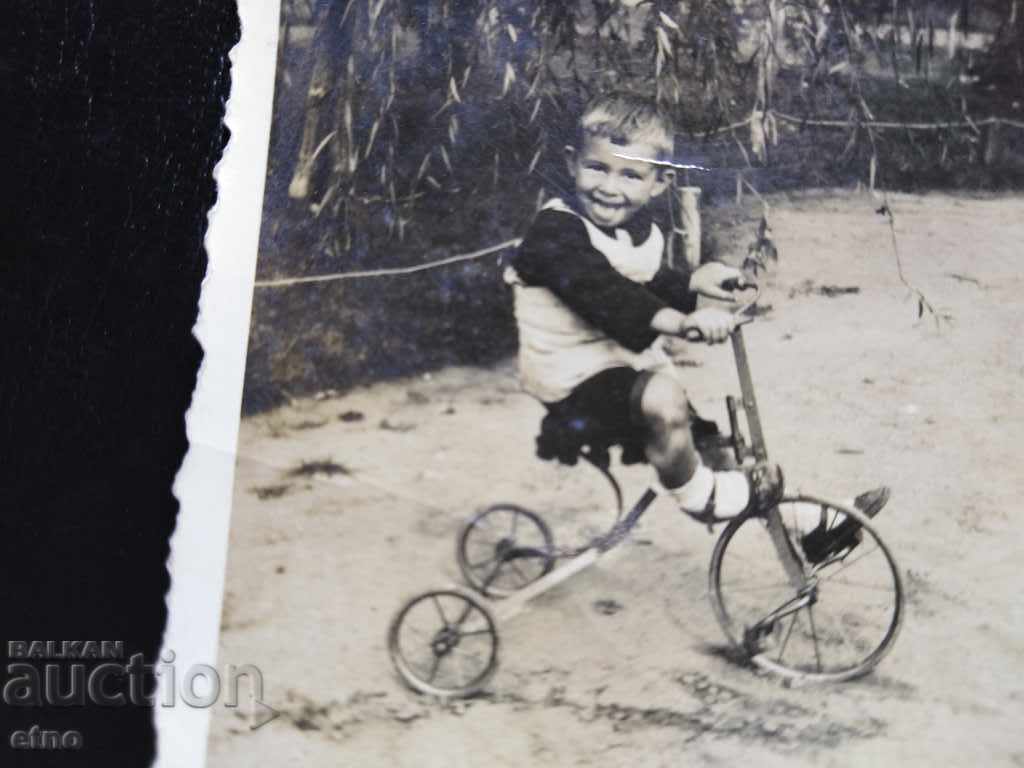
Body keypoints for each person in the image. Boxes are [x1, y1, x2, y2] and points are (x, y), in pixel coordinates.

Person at [506, 91, 888, 538]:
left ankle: (806, 525)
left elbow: (643, 278)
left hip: (623, 367)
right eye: (597, 168)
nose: (611, 188)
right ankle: (703, 501)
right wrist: (683, 323)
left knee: (712, 441)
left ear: (659, 183)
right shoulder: (553, 233)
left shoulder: (639, 230)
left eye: (631, 175)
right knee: (664, 401)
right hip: (569, 380)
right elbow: (604, 293)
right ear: (572, 163)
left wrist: (693, 281)